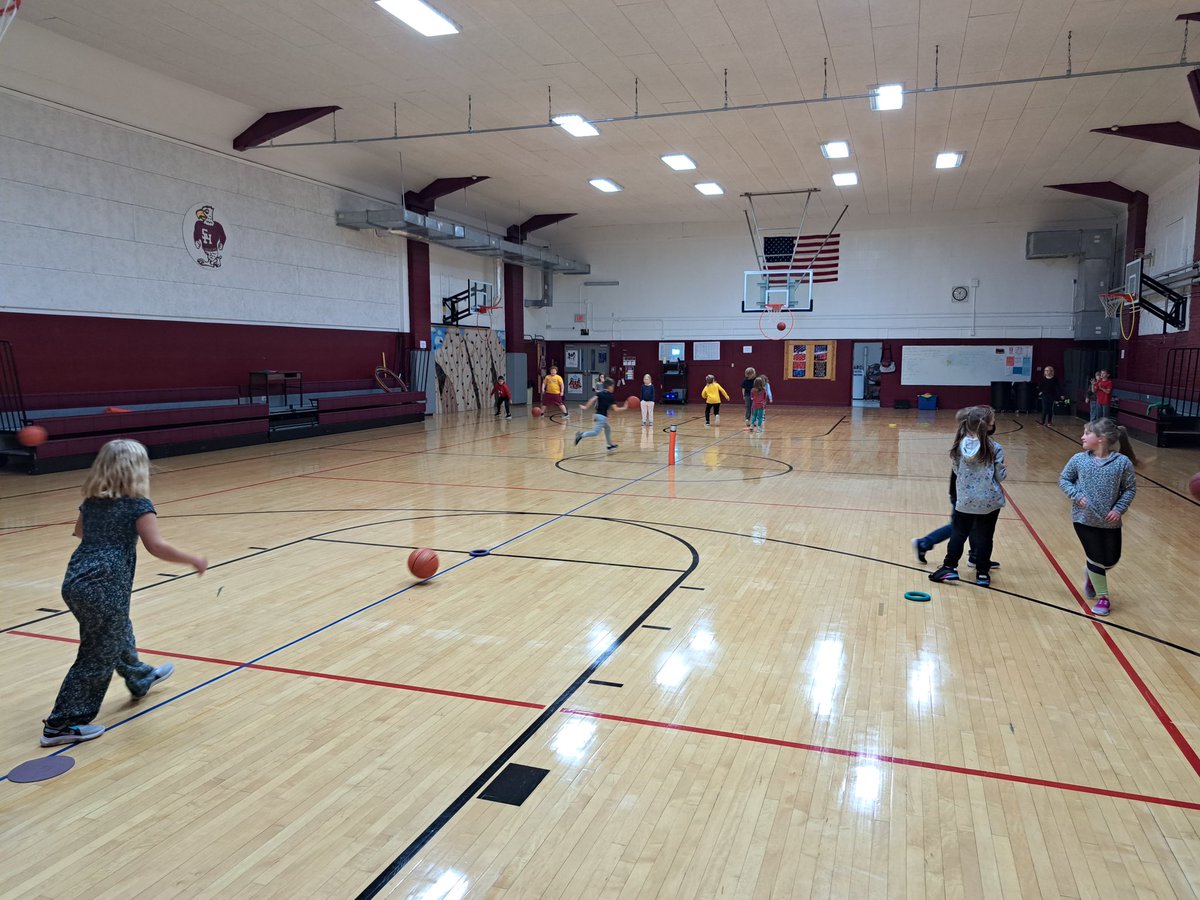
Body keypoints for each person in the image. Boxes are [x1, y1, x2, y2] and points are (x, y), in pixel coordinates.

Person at [40, 440, 207, 746]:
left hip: (76, 580)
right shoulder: (138, 505)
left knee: (116, 631)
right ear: (137, 470)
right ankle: (62, 723)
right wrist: (192, 559)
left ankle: (139, 676)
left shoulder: (91, 501)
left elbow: (80, 533)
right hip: (106, 584)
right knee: (97, 653)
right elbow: (156, 546)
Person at [1058, 417, 1137, 616]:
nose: (1082, 436)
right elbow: (1064, 479)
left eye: (1087, 433)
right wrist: (1076, 496)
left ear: (1101, 438)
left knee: (1111, 559)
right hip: (1083, 519)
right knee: (1095, 557)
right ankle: (1103, 598)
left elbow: (1129, 489)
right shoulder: (1079, 459)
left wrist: (1119, 509)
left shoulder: (1122, 463)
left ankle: (1092, 574)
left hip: (1110, 522)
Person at [912, 406, 1000, 571]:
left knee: (971, 524)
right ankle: (925, 542)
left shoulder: (972, 440)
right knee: (960, 526)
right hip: (962, 491)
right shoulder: (968, 442)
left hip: (969, 492)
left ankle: (975, 555)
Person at [929, 406, 1006, 587]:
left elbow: (956, 470)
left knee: (959, 533)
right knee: (985, 536)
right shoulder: (995, 447)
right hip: (989, 501)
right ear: (987, 426)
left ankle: (949, 567)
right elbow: (1000, 476)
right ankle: (982, 574)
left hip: (965, 500)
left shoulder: (959, 446)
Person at [574, 377, 627, 451]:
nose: (613, 388)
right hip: (602, 417)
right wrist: (625, 407)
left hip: (598, 415)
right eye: (613, 386)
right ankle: (581, 435)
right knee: (595, 432)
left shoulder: (600, 393)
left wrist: (586, 407)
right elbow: (616, 409)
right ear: (609, 386)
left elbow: (592, 400)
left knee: (608, 428)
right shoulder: (610, 396)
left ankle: (610, 445)